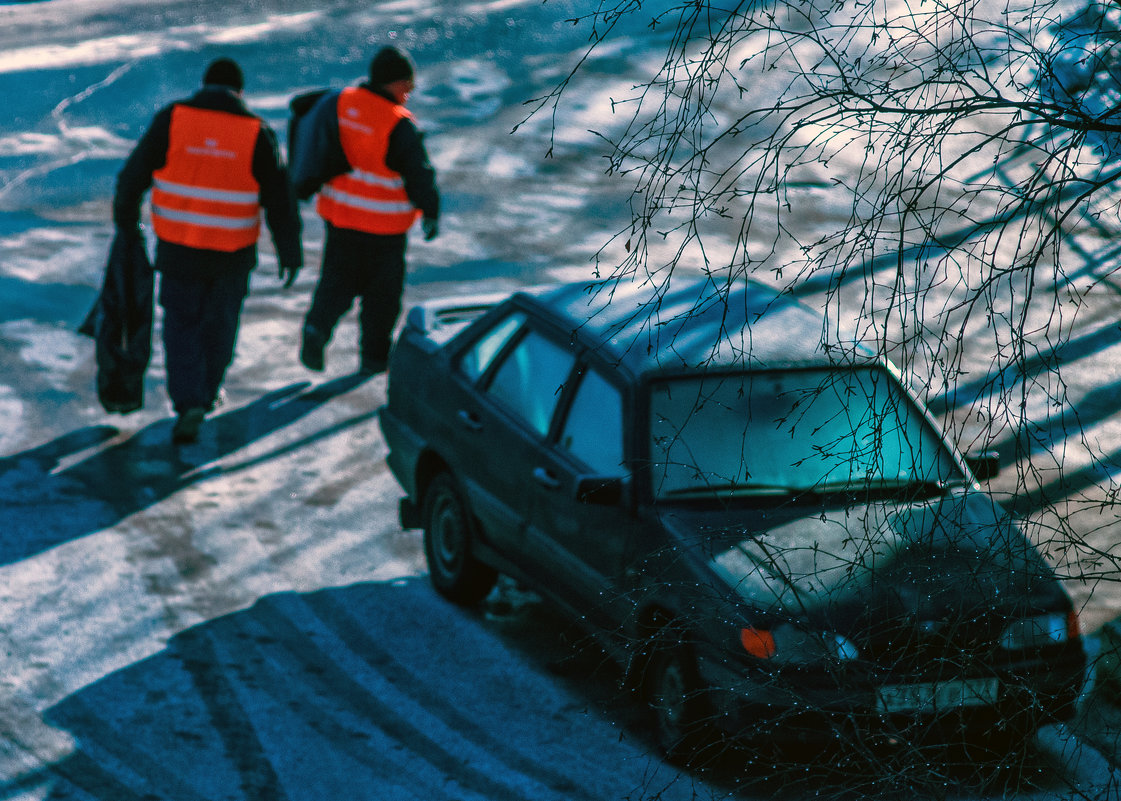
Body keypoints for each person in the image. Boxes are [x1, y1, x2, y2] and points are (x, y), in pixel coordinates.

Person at [113, 57, 303, 444]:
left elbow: (133, 174)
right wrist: (289, 251)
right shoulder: (256, 132)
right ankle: (207, 391)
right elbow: (280, 201)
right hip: (231, 254)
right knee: (220, 325)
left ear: (204, 84)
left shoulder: (173, 119)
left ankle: (187, 402)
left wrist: (126, 223)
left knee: (181, 325)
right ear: (239, 91)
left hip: (179, 248)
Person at [290, 45, 440, 376]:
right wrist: (431, 211)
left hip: (340, 220)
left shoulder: (339, 102)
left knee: (335, 284)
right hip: (385, 231)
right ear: (391, 82)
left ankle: (316, 329)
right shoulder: (398, 123)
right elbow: (419, 174)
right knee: (382, 298)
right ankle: (373, 359)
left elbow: (302, 113)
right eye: (406, 82)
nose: (410, 90)